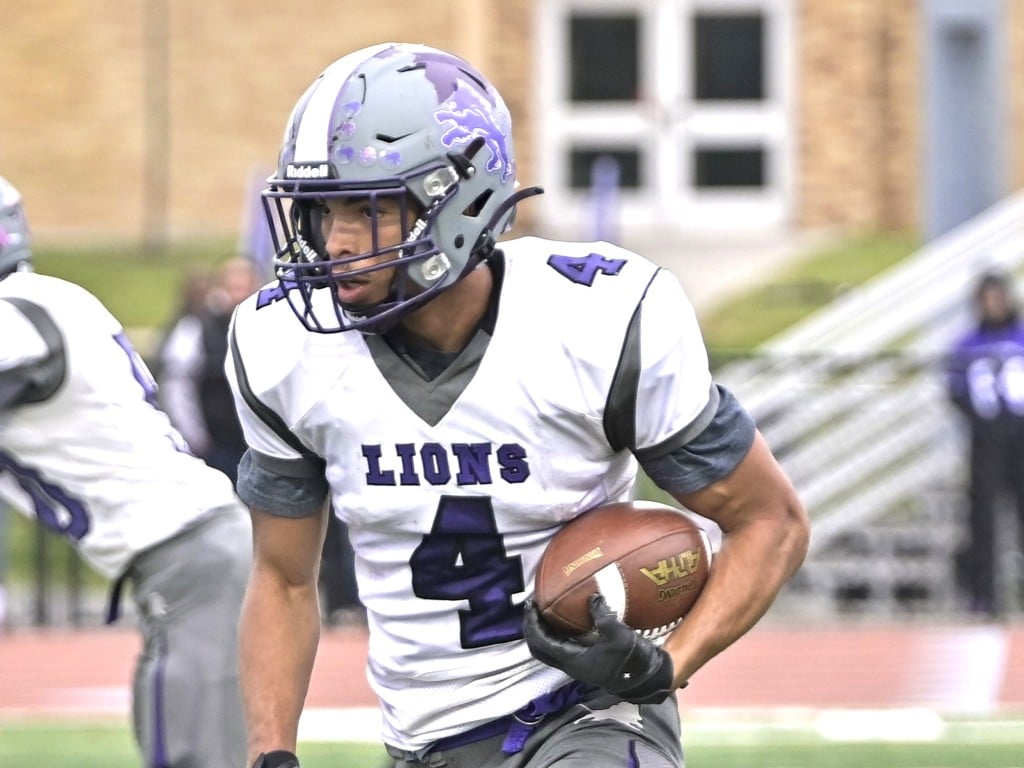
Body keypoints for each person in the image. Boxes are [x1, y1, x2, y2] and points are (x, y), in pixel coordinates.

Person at [225, 43, 809, 768]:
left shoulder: (597, 319)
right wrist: (269, 753)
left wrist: (665, 665)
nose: (336, 243)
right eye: (321, 212)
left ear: (457, 201)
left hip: (586, 713)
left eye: (367, 210)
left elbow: (769, 521)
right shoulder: (280, 345)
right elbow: (282, 578)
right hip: (423, 738)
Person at [0, 175, 252, 768]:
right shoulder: (50, 297)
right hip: (194, 548)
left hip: (187, 555)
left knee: (193, 756)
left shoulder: (16, 315)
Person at [945, 269, 1024, 617]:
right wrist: (982, 423)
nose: (993, 305)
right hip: (985, 442)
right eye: (986, 299)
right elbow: (955, 391)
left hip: (1020, 440)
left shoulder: (1020, 337)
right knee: (982, 521)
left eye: (997, 298)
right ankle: (984, 596)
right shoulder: (966, 345)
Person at [158, 256, 260, 485]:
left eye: (245, 288)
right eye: (233, 288)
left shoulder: (269, 324)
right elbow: (177, 385)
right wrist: (196, 440)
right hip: (218, 448)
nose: (239, 296)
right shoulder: (196, 328)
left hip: (264, 448)